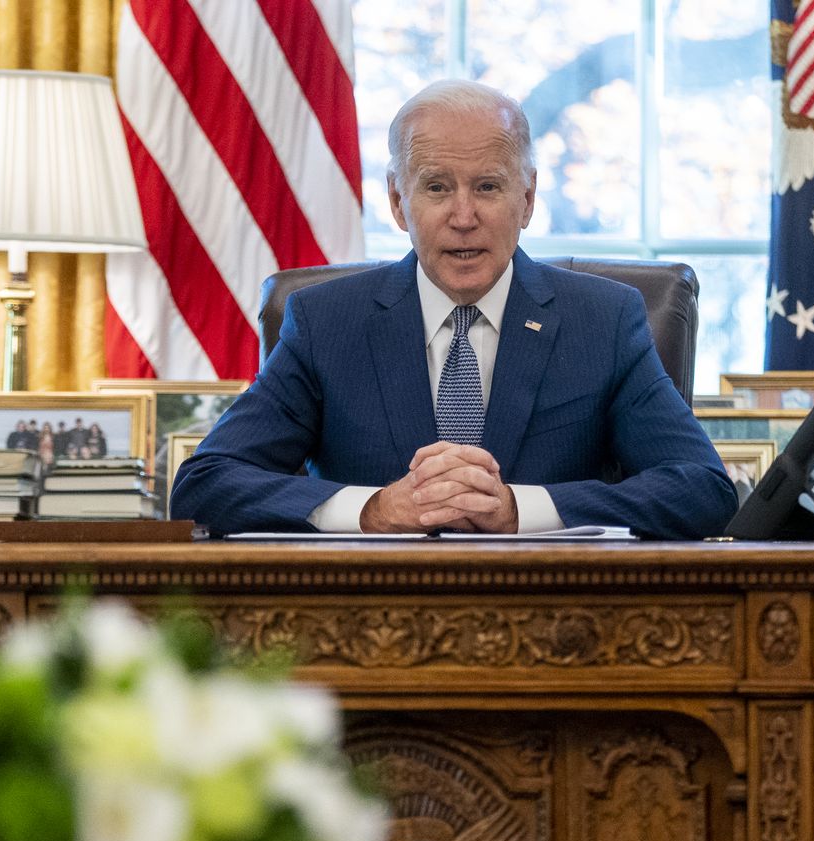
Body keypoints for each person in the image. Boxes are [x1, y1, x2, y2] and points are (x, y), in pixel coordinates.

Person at [171, 80, 735, 539]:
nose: (464, 217)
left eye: (487, 187)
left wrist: (520, 510)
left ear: (527, 199)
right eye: (437, 188)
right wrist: (372, 510)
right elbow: (204, 485)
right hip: (370, 618)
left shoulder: (603, 320)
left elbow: (702, 489)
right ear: (398, 201)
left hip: (553, 618)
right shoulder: (326, 323)